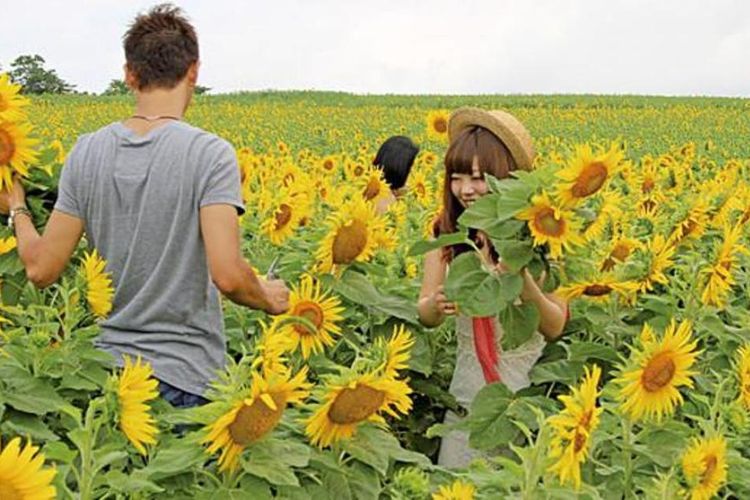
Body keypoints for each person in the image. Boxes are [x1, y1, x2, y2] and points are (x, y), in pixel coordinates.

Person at [0, 4, 289, 408]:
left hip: (107, 377)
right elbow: (227, 275)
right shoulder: (211, 155)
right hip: (187, 377)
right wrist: (269, 296)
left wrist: (17, 207)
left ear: (130, 75)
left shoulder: (87, 152)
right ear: (194, 71)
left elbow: (41, 269)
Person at [417, 108, 567, 468]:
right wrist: (435, 306)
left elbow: (555, 325)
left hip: (527, 396)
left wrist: (527, 288)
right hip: (468, 397)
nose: (466, 190)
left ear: (507, 178)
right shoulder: (448, 237)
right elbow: (424, 310)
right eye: (456, 177)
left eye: (478, 178)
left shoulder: (543, 238)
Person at [372, 135, 419, 214]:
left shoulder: (371, 190)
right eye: (410, 170)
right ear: (400, 169)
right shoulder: (387, 205)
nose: (413, 175)